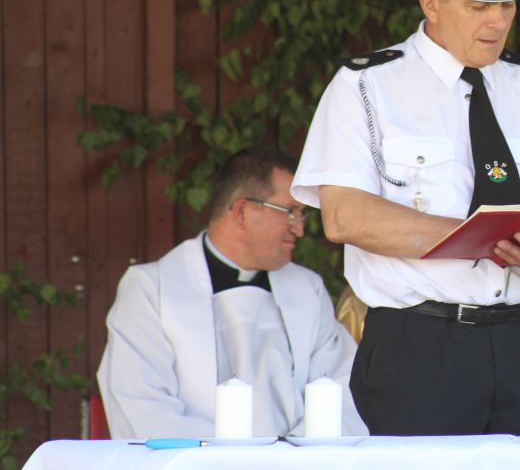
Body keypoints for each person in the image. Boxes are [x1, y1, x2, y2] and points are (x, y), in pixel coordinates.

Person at [291, 0, 520, 436]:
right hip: (422, 346)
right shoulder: (367, 84)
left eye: (508, 4)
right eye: (479, 6)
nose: (499, 20)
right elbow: (345, 217)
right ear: (430, 3)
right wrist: (483, 237)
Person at [97, 147, 365, 438]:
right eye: (291, 213)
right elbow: (144, 407)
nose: (299, 230)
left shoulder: (307, 290)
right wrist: (232, 458)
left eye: (301, 215)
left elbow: (343, 387)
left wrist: (290, 453)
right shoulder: (152, 290)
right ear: (242, 212)